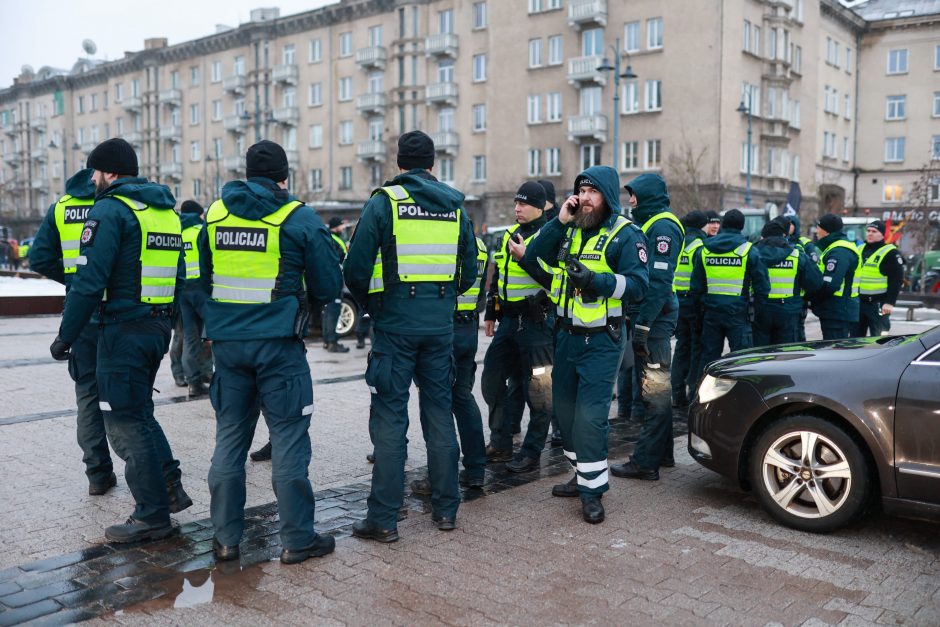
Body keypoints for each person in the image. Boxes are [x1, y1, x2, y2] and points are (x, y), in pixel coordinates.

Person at [198, 140, 342, 564]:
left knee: (229, 441)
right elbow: (330, 287)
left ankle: (225, 540)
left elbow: (204, 275)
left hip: (228, 348)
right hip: (279, 349)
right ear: (284, 177)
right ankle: (297, 541)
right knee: (289, 440)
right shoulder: (296, 218)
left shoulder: (216, 214)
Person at [49, 138, 191, 543]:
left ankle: (151, 516)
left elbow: (89, 281)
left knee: (124, 423)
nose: (92, 179)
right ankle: (170, 489)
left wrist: (66, 336)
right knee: (140, 413)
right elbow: (178, 277)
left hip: (122, 333)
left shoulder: (110, 209)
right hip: (155, 328)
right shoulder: (164, 212)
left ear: (109, 172)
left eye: (95, 172)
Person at [343, 131, 477, 542]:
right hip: (439, 328)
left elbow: (355, 268)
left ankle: (383, 519)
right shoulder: (456, 207)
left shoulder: (386, 202)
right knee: (439, 415)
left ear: (399, 163)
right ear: (433, 163)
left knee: (390, 419)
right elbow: (468, 273)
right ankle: (446, 511)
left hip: (395, 329)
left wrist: (374, 306)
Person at [524, 165, 649, 524]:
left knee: (590, 419)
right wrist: (559, 220)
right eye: (581, 190)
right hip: (565, 338)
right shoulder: (572, 229)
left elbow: (639, 286)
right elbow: (533, 258)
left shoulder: (627, 235)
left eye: (592, 192)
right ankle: (583, 476)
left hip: (602, 340)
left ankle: (593, 493)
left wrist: (597, 280)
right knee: (563, 415)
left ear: (607, 197)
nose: (585, 198)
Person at [29, 168, 116, 495]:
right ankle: (150, 472)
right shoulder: (113, 205)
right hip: (116, 310)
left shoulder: (61, 207)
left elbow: (38, 258)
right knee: (124, 393)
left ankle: (97, 474)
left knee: (87, 394)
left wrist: (74, 280)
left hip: (80, 314)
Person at [611, 174, 683, 482]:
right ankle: (662, 453)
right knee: (656, 388)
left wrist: (642, 324)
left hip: (654, 320)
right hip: (653, 318)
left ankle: (645, 462)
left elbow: (659, 283)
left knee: (653, 391)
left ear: (650, 196)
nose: (631, 202)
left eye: (635, 197)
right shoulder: (653, 224)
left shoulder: (663, 227)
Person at [480, 181, 554, 472]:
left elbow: (555, 281)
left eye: (523, 204)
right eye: (516, 203)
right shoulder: (510, 234)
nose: (517, 208)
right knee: (491, 378)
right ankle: (500, 442)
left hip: (537, 324)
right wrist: (491, 311)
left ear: (540, 207)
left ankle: (531, 452)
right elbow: (499, 275)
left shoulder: (552, 236)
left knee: (539, 390)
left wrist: (526, 260)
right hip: (509, 321)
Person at [411, 234, 489, 494]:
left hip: (443, 329)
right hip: (468, 329)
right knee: (463, 398)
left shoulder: (442, 240)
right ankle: (476, 469)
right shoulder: (479, 244)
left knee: (435, 404)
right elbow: (480, 295)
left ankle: (439, 475)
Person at [690, 209, 770, 383]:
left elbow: (695, 289)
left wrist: (699, 314)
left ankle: (700, 399)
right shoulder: (749, 250)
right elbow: (763, 288)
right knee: (742, 362)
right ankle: (740, 401)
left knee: (708, 360)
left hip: (711, 314)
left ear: (723, 224)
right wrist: (757, 313)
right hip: (739, 315)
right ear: (742, 227)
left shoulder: (704, 250)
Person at [751, 218, 823, 346]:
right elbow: (815, 283)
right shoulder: (796, 255)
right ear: (784, 235)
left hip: (760, 310)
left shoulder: (753, 253)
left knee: (759, 355)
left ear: (763, 235)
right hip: (789, 311)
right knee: (786, 355)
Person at [670, 210, 708, 407]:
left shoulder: (678, 241)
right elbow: (700, 280)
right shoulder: (699, 246)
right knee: (695, 349)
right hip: (693, 304)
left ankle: (677, 393)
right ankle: (693, 392)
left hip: (676, 301)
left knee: (680, 347)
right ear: (702, 225)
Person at [178, 200, 212, 396]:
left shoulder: (177, 231)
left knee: (190, 338)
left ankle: (193, 383)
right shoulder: (202, 229)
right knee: (212, 333)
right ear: (199, 214)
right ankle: (212, 374)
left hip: (184, 290)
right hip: (202, 288)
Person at [811, 213, 861, 340]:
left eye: (819, 227)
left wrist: (813, 298)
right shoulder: (835, 248)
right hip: (837, 309)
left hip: (838, 310)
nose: (816, 231)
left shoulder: (839, 251)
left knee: (835, 351)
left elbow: (830, 285)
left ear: (827, 231)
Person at [855, 220, 903, 337]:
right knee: (854, 341)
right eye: (868, 231)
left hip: (878, 305)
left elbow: (896, 280)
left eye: (874, 231)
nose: (870, 234)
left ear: (882, 234)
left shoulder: (890, 253)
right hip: (858, 303)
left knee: (879, 341)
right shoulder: (859, 249)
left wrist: (890, 303)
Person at [322, 216, 350, 353]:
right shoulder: (333, 240)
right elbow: (337, 260)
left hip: (330, 279)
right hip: (334, 280)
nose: (343, 228)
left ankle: (328, 341)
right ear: (336, 226)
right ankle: (332, 342)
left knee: (329, 311)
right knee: (333, 311)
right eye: (341, 226)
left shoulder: (330, 238)